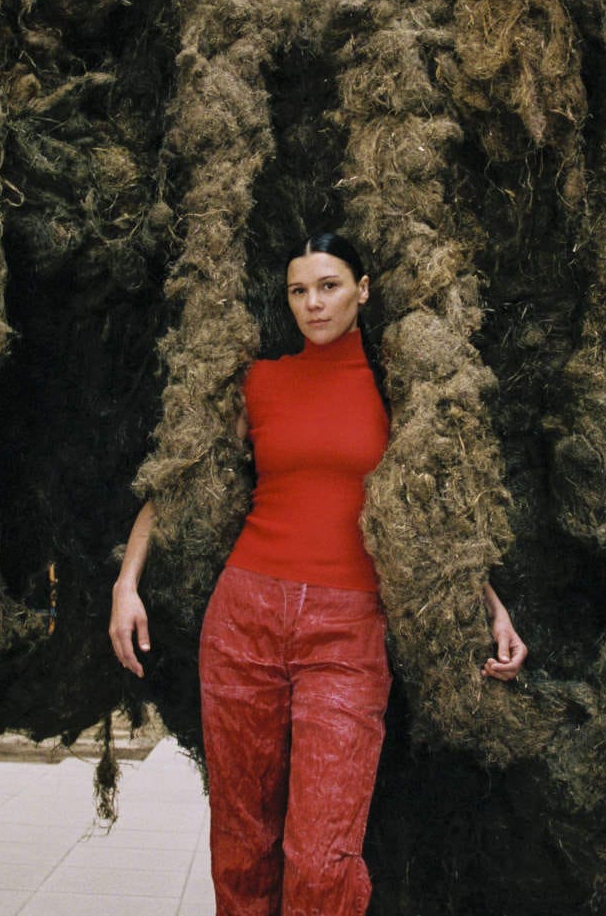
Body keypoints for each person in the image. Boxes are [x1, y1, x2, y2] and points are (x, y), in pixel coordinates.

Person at [109, 232, 528, 915]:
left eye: (329, 286)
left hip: (347, 632)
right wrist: (127, 583)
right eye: (299, 290)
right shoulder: (260, 382)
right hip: (244, 617)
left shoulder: (396, 391)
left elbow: (433, 516)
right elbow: (180, 476)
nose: (313, 303)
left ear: (362, 289)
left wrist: (492, 606)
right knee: (242, 843)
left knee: (322, 856)